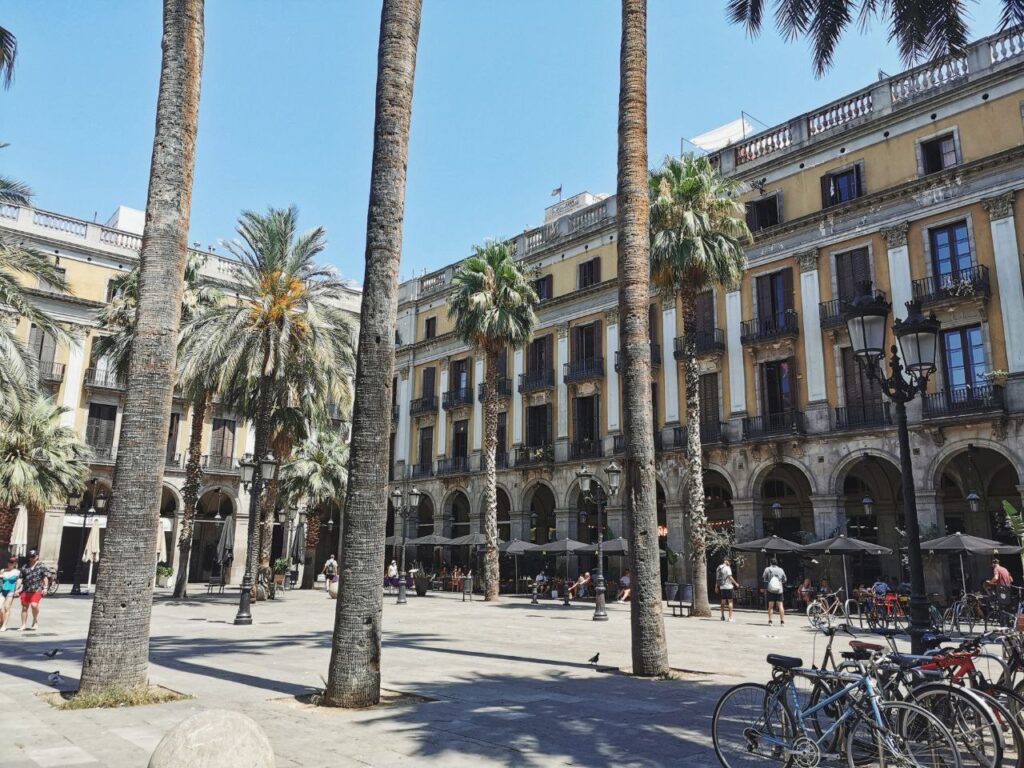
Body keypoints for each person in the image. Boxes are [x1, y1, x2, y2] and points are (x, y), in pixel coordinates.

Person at [18, 550, 50, 631]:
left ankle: (35, 620)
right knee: (24, 607)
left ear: (37, 556)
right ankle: (23, 624)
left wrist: (45, 587)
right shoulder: (25, 566)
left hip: (37, 589)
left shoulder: (41, 566)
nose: (31, 558)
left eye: (33, 556)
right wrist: (17, 588)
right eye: (30, 556)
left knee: (34, 605)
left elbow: (45, 577)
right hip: (26, 589)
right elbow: (20, 578)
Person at [762, 558, 786, 626]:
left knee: (770, 606)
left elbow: (764, 579)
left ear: (770, 563)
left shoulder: (767, 569)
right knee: (781, 606)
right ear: (777, 563)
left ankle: (770, 621)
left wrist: (765, 588)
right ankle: (782, 622)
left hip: (770, 590)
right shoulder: (781, 569)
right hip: (779, 590)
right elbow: (785, 579)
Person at [715, 557, 739, 622]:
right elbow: (730, 577)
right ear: (725, 561)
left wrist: (716, 587)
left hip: (722, 587)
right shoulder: (727, 568)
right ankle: (730, 618)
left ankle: (722, 616)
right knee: (730, 602)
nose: (730, 562)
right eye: (729, 561)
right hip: (728, 587)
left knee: (723, 602)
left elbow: (717, 578)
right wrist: (736, 583)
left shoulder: (718, 568)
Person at [0, 556, 20, 631]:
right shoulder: (3, 570)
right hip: (2, 590)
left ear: (15, 563)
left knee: (6, 607)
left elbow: (19, 581)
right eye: (9, 562)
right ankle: (1, 622)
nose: (10, 563)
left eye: (12, 562)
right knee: (0, 609)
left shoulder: (17, 572)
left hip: (11, 591)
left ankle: (4, 625)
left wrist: (17, 590)